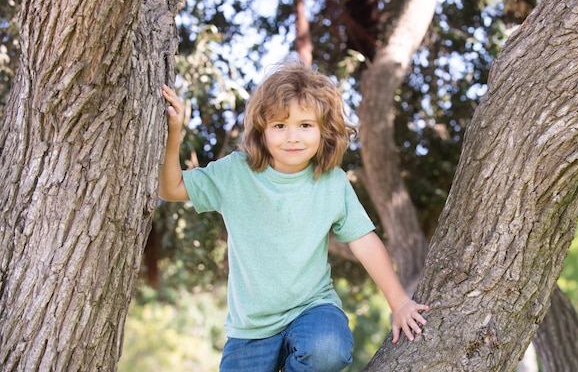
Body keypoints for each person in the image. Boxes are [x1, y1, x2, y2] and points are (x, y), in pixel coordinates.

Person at [159, 61, 429, 372]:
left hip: (312, 310)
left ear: (324, 130)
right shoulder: (235, 172)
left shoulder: (331, 182)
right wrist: (174, 134)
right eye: (279, 126)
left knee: (327, 350)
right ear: (262, 129)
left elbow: (364, 241)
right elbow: (172, 188)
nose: (292, 137)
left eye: (305, 125)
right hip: (250, 329)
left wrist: (399, 303)